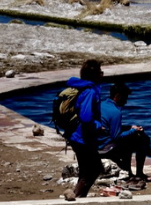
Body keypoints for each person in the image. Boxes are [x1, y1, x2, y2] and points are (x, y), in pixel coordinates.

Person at [97, 82, 151, 184]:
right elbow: (116, 136)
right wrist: (133, 130)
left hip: (95, 143)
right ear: (118, 96)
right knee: (140, 140)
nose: (126, 102)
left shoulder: (101, 105)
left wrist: (129, 128)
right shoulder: (115, 112)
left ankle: (130, 172)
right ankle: (136, 173)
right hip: (105, 148)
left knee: (135, 136)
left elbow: (108, 127)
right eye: (125, 98)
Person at [67, 59, 104, 198]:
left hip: (75, 135)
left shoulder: (80, 88)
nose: (102, 74)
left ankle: (76, 197)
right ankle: (77, 197)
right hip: (82, 137)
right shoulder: (90, 91)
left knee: (86, 171)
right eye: (100, 72)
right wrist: (99, 126)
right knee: (93, 170)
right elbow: (86, 117)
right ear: (94, 75)